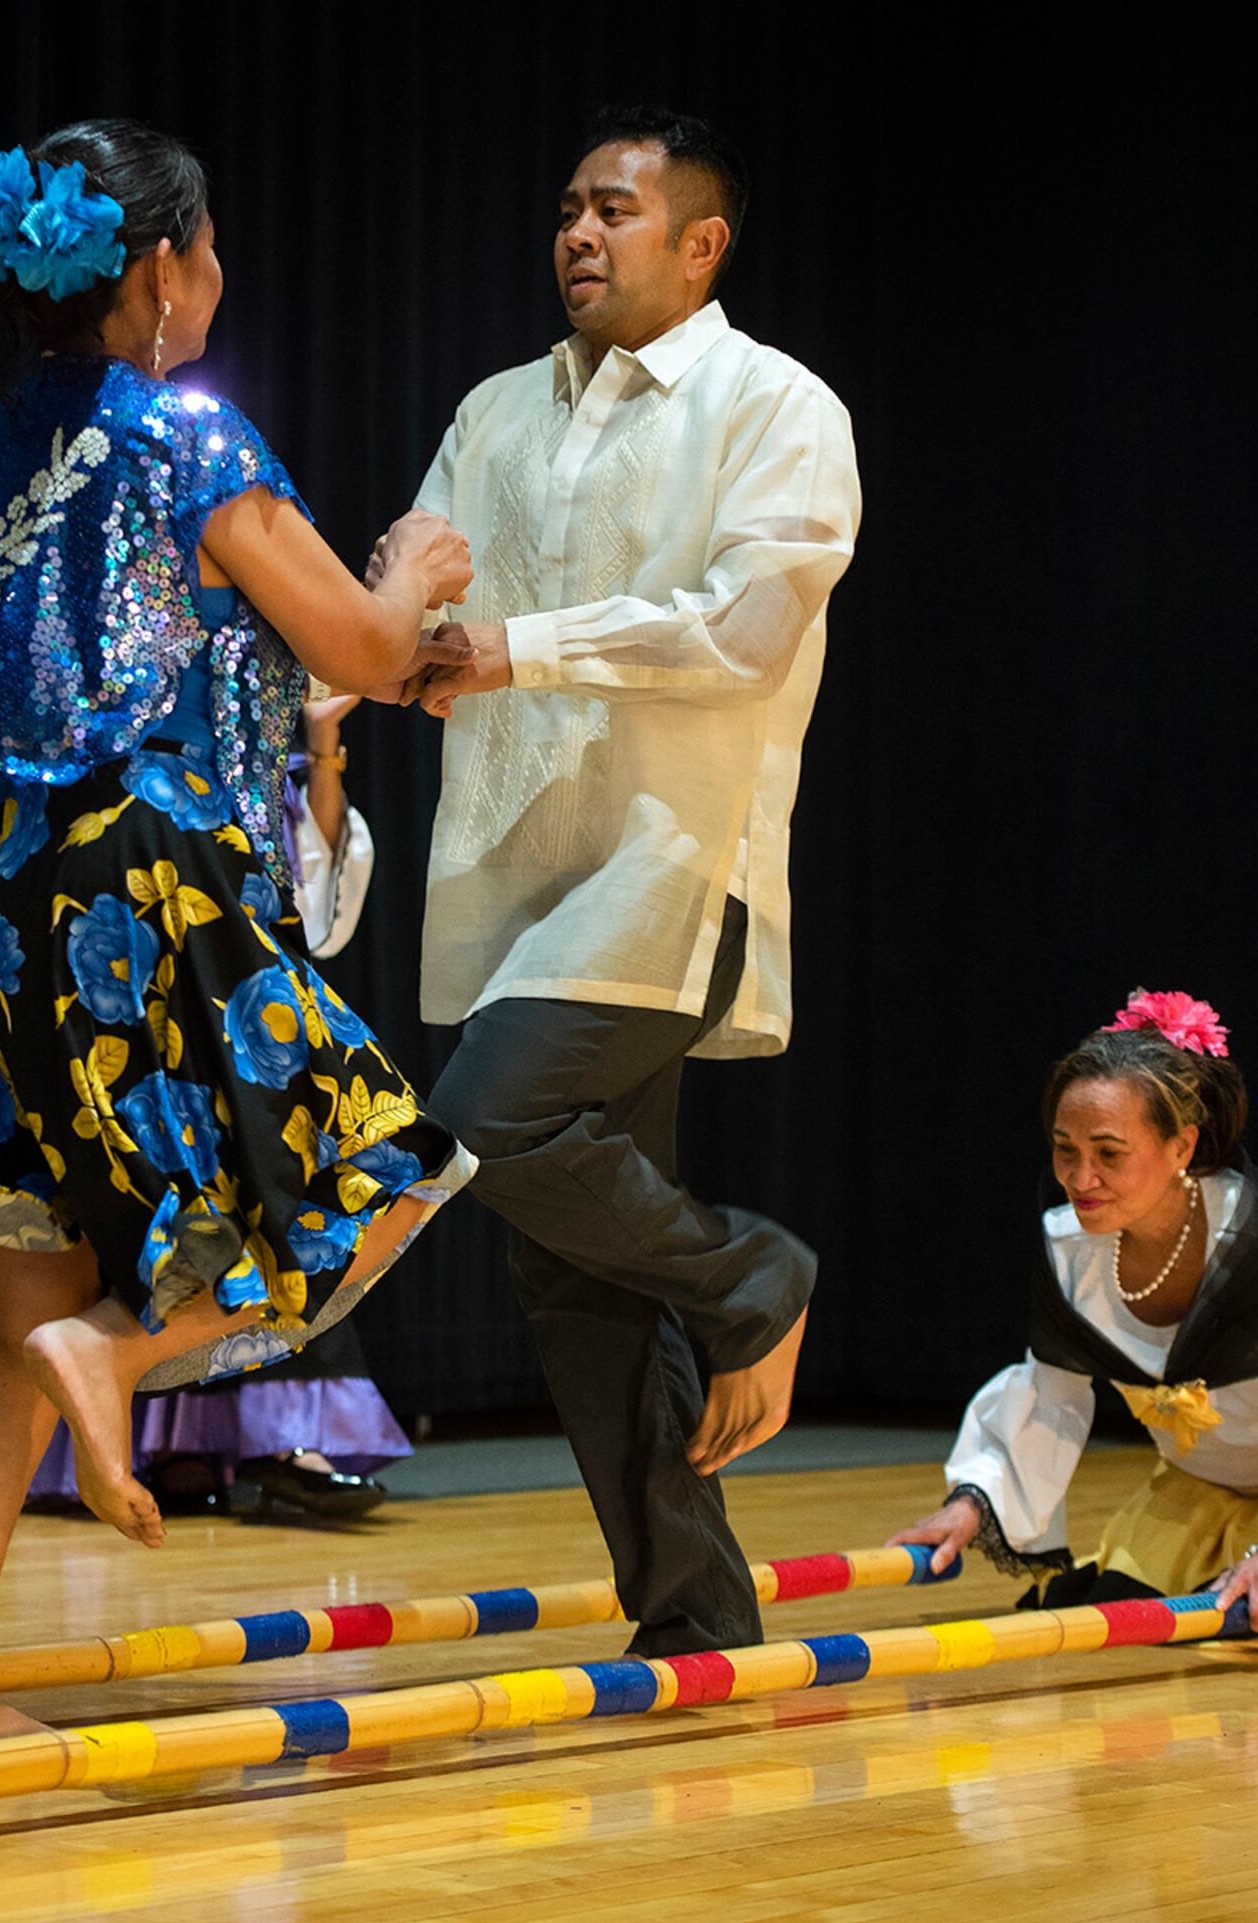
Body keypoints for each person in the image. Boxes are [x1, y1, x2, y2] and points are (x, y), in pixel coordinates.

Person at [0, 118, 474, 1748]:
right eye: (212, 248)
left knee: (5, 1299)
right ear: (166, 274)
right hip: (126, 892)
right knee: (359, 1164)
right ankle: (119, 1355)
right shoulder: (182, 434)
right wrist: (413, 567)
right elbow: (368, 647)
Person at [400, 106, 862, 1656]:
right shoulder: (495, 407)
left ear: (700, 242)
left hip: (671, 867)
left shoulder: (776, 404)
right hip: (519, 864)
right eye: (568, 210)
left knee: (481, 1118)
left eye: (613, 210)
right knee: (576, 1271)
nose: (578, 236)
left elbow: (740, 628)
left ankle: (756, 1268)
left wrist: (511, 648)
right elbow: (422, 581)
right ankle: (692, 1607)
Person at [890, 990, 1258, 1646]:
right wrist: (974, 1502)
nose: (1079, 1175)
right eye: (1064, 1148)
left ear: (1181, 1145)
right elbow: (1051, 1395)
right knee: (1120, 1619)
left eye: (1109, 1152)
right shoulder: (1072, 1247)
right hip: (1203, 1492)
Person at [27, 692, 410, 1518]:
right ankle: (154, 1422)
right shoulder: (154, 704)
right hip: (153, 934)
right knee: (198, 1193)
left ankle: (259, 1432)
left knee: (302, 1183)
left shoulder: (254, 727)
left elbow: (323, 905)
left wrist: (324, 743)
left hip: (218, 949)